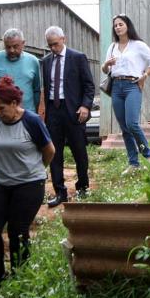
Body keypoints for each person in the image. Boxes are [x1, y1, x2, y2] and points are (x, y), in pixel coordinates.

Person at [0, 76, 55, 290]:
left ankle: (19, 276)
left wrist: (36, 170)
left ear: (14, 104)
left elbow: (49, 151)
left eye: (1, 107)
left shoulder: (32, 121)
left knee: (17, 230)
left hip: (29, 184)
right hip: (1, 183)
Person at [40, 26, 96, 207]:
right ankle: (60, 192)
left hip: (74, 111)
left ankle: (82, 187)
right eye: (50, 45)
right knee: (54, 153)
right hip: (53, 111)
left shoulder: (78, 57)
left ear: (63, 39)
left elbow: (89, 85)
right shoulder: (46, 61)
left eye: (55, 44)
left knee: (79, 151)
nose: (53, 48)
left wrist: (85, 106)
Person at [101, 14, 150, 171]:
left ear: (127, 26)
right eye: (115, 25)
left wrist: (145, 76)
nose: (118, 27)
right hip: (116, 87)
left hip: (132, 86)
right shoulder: (112, 47)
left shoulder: (138, 45)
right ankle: (133, 163)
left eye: (120, 24)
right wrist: (106, 64)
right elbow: (105, 70)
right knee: (124, 127)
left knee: (132, 124)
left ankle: (149, 156)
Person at [0, 28, 42, 121]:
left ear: (23, 43)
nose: (12, 50)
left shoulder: (33, 61)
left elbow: (36, 90)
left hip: (26, 116)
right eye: (8, 47)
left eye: (15, 46)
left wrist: (33, 113)